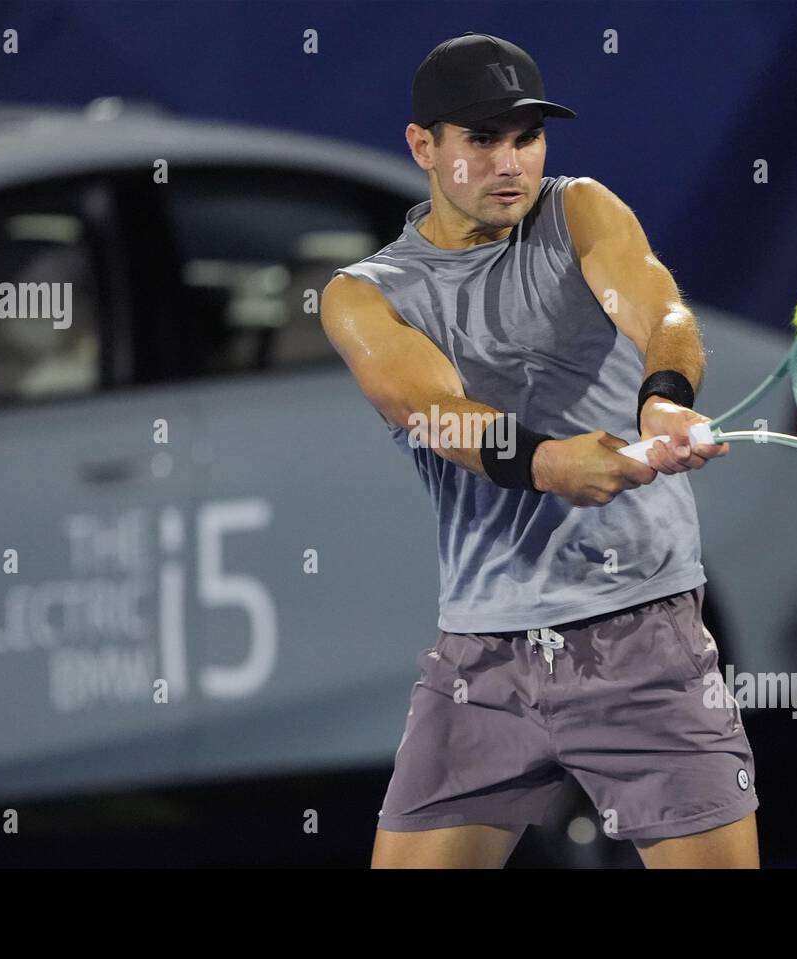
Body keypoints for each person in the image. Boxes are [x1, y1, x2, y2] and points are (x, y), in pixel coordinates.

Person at [322, 32, 759, 868]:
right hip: (482, 659)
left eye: (526, 138)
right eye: (482, 140)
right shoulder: (364, 295)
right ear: (423, 145)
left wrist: (663, 397)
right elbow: (435, 413)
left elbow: (659, 311)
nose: (510, 162)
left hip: (642, 638)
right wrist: (557, 464)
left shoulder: (580, 207)